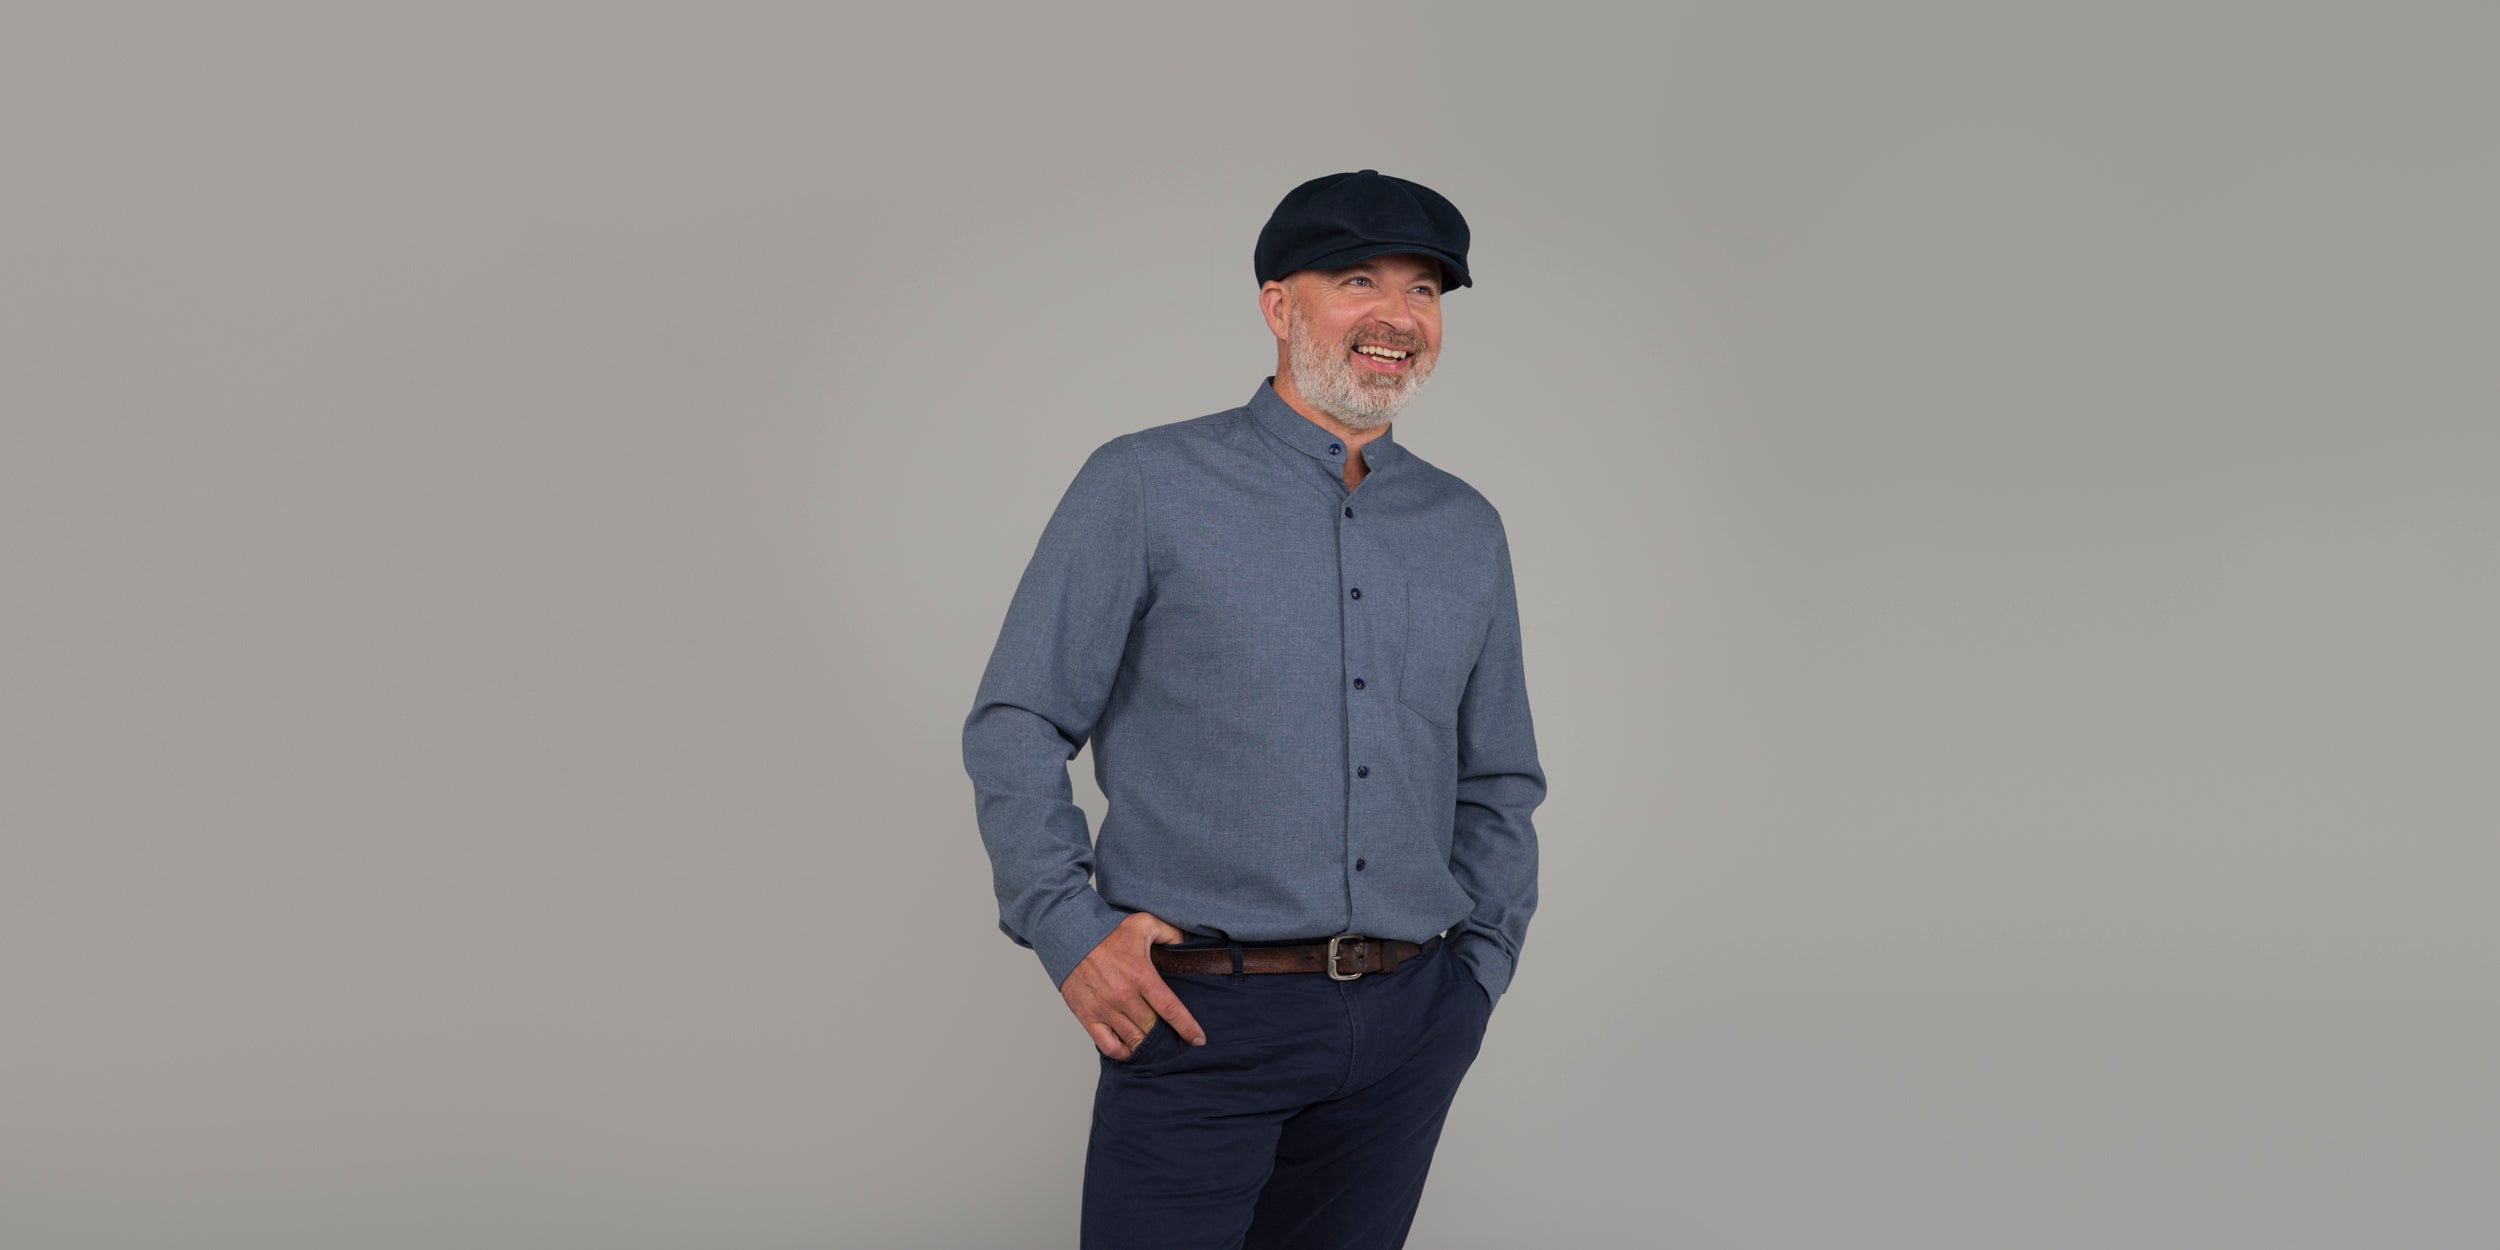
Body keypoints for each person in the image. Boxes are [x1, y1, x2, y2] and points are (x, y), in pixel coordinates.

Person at [961, 169, 1548, 1249]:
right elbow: (1016, 718)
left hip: (1410, 1021)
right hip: (1200, 1020)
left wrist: (1476, 976)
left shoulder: (1466, 528)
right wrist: (1068, 927)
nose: (1397, 316)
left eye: (1423, 291)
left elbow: (1498, 776)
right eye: (1358, 280)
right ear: (1279, 306)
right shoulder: (1145, 483)